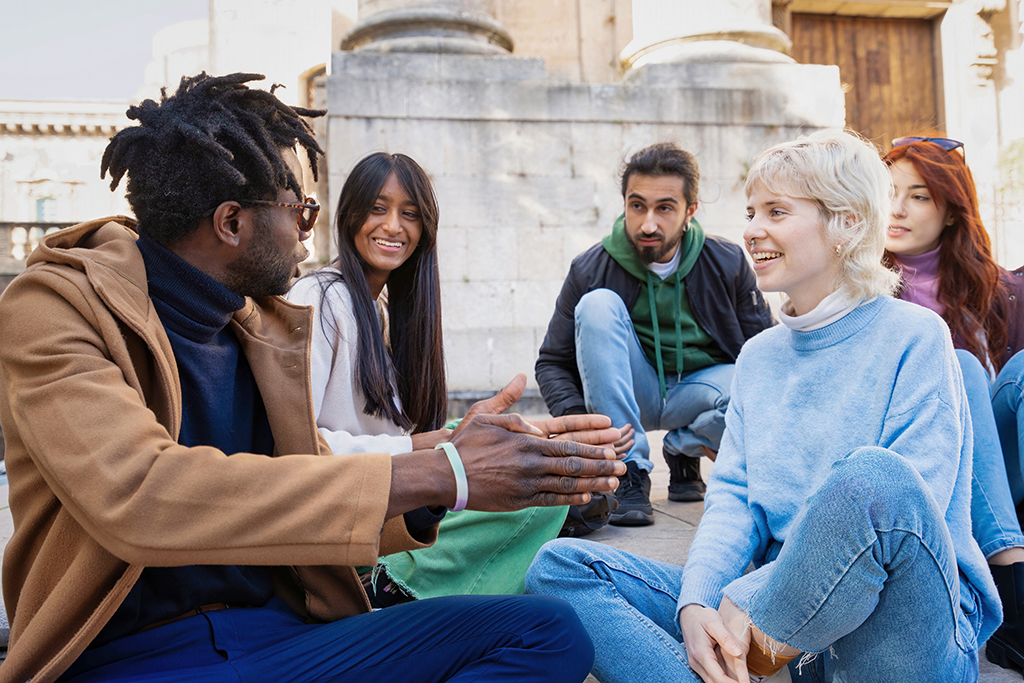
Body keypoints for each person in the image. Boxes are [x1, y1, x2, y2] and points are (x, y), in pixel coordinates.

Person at [0, 72, 628, 683]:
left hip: (280, 638)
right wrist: (442, 471)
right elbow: (140, 494)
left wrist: (456, 457)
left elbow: (309, 470)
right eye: (301, 211)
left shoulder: (260, 327)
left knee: (550, 632)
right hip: (130, 655)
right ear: (231, 223)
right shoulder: (55, 307)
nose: (308, 236)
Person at [526, 130, 1000, 683]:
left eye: (776, 211)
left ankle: (743, 654)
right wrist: (697, 603)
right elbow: (732, 498)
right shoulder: (758, 356)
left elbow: (909, 505)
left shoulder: (916, 337)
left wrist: (751, 597)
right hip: (776, 629)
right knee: (559, 568)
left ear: (846, 223)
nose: (752, 230)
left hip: (898, 630)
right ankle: (725, 664)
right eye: (751, 212)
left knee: (873, 477)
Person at [286, 152, 569, 602]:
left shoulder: (382, 309)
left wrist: (458, 437)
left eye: (410, 214)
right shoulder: (318, 297)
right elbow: (301, 445)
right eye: (378, 208)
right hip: (343, 510)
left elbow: (399, 439)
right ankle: (391, 586)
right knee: (531, 496)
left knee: (528, 464)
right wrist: (427, 447)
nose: (393, 226)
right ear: (349, 215)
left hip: (387, 499)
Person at [535, 142, 773, 526]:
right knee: (597, 304)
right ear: (624, 205)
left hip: (700, 392)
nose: (647, 224)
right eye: (637, 206)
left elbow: (767, 354)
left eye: (664, 208)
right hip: (627, 395)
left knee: (756, 383)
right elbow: (552, 362)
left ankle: (683, 447)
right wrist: (582, 426)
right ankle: (627, 471)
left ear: (690, 211)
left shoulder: (726, 261)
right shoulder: (590, 268)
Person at [882, 135, 1024, 672]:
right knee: (957, 363)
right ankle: (1015, 597)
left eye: (918, 196)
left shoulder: (1002, 290)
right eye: (888, 192)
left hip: (998, 478)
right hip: (923, 478)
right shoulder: (858, 290)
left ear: (950, 211)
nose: (897, 208)